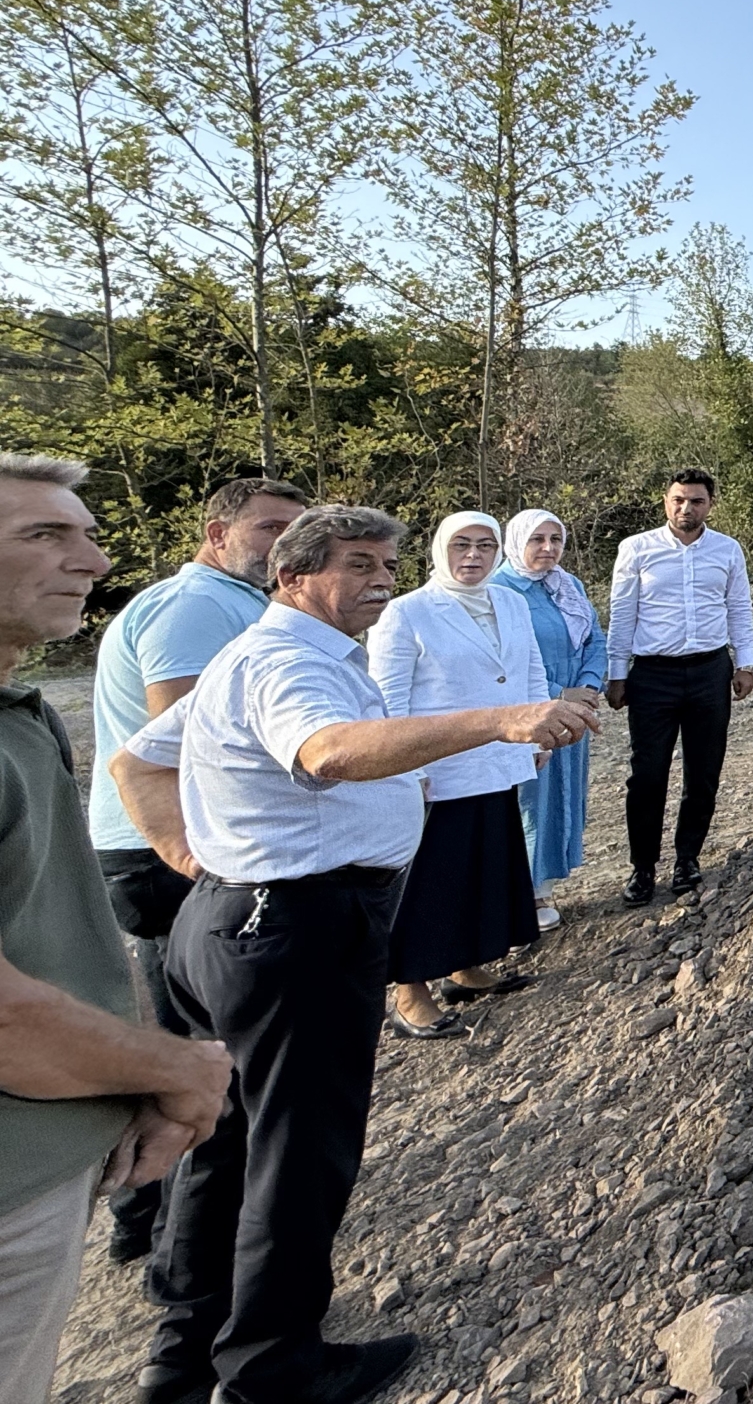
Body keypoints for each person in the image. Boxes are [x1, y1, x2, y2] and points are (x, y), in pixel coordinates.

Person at [120, 505, 598, 1404]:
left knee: (225, 1143)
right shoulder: (289, 661)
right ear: (294, 577)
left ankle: (185, 1355)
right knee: (300, 1153)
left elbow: (138, 765)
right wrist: (500, 720)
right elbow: (330, 752)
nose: (380, 578)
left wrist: (206, 865)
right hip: (297, 930)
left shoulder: (281, 653)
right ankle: (273, 1367)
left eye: (384, 562)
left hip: (241, 919)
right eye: (356, 564)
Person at [0, 455, 232, 1404]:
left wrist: (135, 1062)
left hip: (50, 1160)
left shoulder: (23, 715)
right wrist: (180, 1067)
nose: (93, 561)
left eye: (88, 533)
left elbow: (55, 934)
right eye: (45, 535)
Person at [86, 476, 307, 1262]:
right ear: (216, 534)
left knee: (189, 1046)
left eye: (294, 530)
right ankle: (184, 1249)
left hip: (181, 844)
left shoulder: (236, 603)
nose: (282, 544)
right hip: (174, 846)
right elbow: (177, 737)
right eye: (267, 528)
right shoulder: (193, 608)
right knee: (204, 1058)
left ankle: (154, 1223)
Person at [368, 513, 549, 1039]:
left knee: (485, 869)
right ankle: (409, 992)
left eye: (485, 546)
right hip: (438, 772)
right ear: (439, 550)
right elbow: (389, 699)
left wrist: (537, 733)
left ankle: (464, 967)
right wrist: (411, 766)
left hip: (497, 761)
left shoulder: (510, 602)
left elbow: (529, 669)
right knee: (432, 882)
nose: (473, 556)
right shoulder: (407, 613)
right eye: (461, 546)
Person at [604, 471, 753, 906]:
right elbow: (622, 612)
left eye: (695, 501)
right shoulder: (636, 549)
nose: (685, 509)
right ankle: (642, 867)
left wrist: (745, 662)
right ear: (665, 502)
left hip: (709, 670)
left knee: (703, 772)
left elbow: (737, 609)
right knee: (647, 775)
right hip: (653, 674)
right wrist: (617, 673)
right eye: (678, 500)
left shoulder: (727, 550)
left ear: (710, 504)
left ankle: (687, 858)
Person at [493, 509, 604, 931]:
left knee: (562, 794)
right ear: (517, 541)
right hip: (530, 711)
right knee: (528, 800)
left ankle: (545, 887)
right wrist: (559, 692)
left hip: (574, 712)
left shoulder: (566, 586)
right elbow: (508, 659)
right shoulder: (500, 590)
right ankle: (523, 893)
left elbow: (595, 638)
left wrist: (589, 686)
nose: (548, 549)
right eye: (537, 539)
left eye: (555, 539)